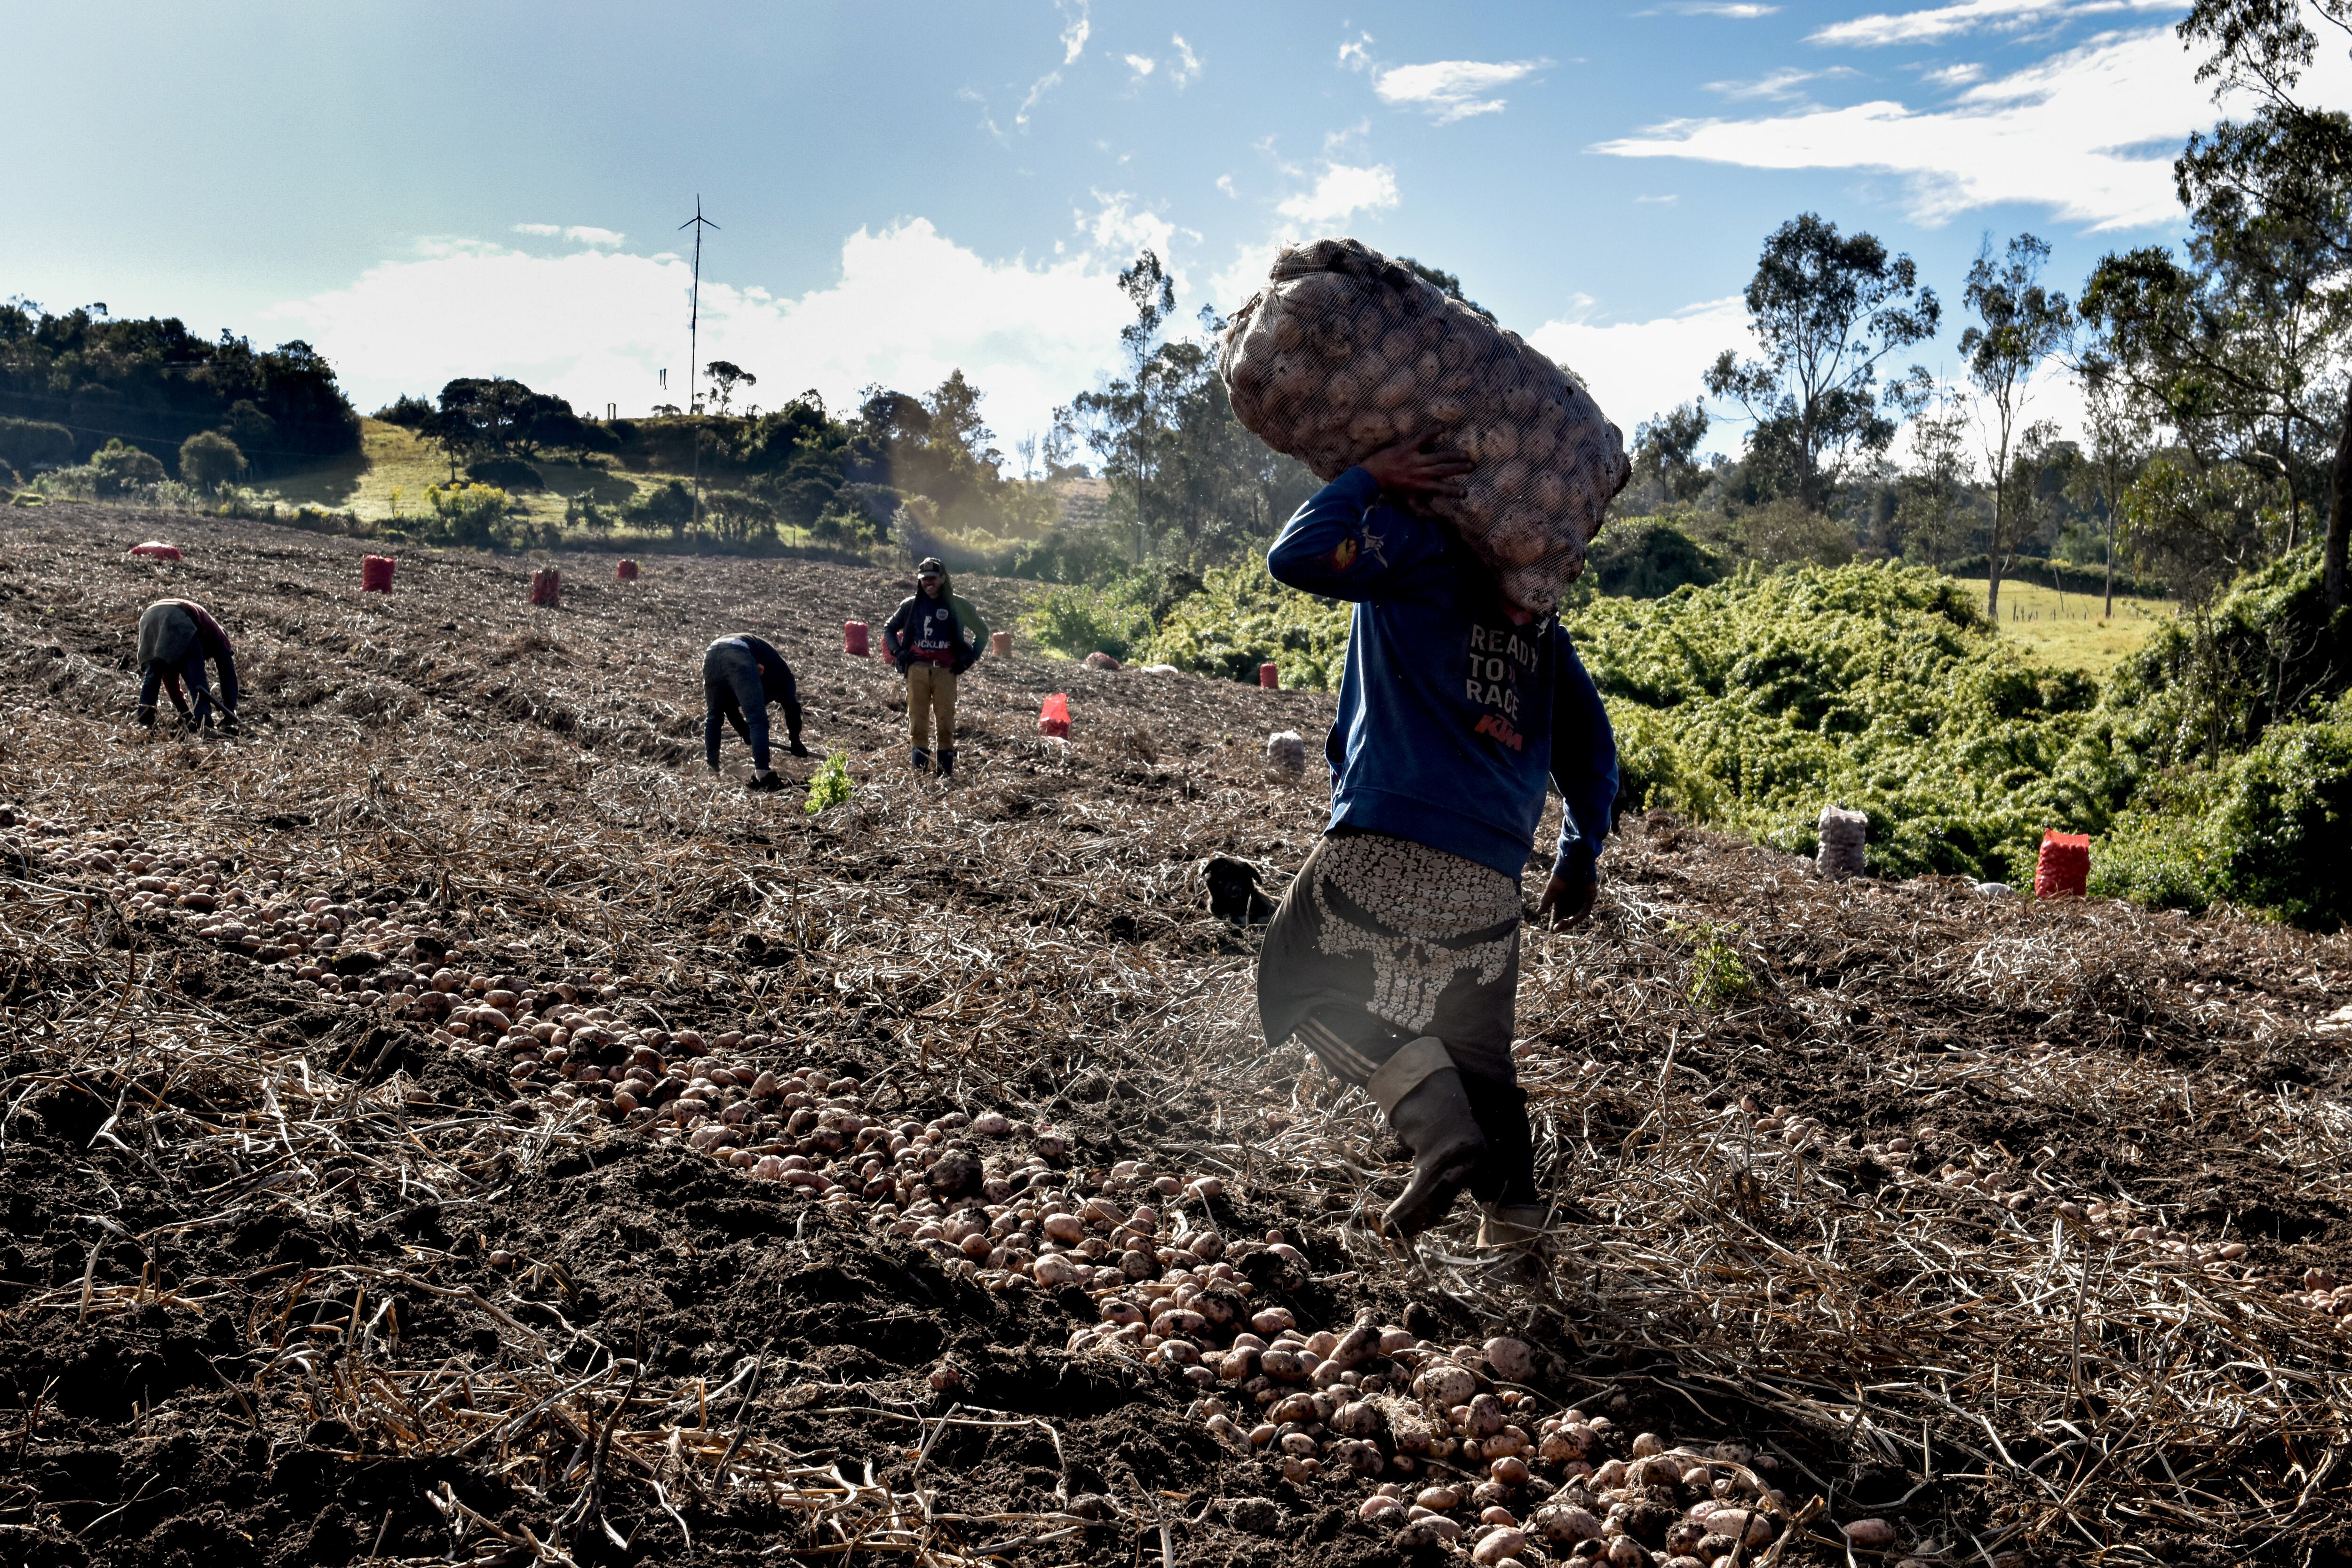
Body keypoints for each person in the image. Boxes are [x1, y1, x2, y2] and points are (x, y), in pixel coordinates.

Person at [1256, 436, 1620, 1250]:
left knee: (1295, 979)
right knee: (1485, 1061)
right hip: (1491, 874)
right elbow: (1594, 754)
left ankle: (1435, 1125)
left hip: (1384, 837)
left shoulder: (1413, 557)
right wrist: (1578, 852)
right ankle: (1519, 1239)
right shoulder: (1543, 634)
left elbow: (1300, 553)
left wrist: (1368, 475)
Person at [881, 556, 988, 776]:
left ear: (943, 578)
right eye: (924, 579)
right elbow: (889, 628)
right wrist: (898, 651)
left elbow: (982, 632)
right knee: (918, 724)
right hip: (917, 671)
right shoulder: (910, 605)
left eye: (932, 578)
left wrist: (969, 659)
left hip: (945, 672)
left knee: (945, 723)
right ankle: (919, 775)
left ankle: (944, 776)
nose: (928, 583)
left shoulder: (958, 605)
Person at [703, 634, 809, 790]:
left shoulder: (765, 671)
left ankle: (711, 773)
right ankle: (763, 775)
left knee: (714, 716)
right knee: (757, 719)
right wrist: (795, 741)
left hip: (712, 653)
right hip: (738, 652)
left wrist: (744, 731)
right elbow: (792, 709)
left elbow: (728, 707)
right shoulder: (786, 679)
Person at [135, 598, 238, 733]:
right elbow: (227, 673)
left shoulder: (205, 626)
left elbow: (169, 679)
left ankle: (145, 723)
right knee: (197, 682)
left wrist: (184, 712)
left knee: (154, 674)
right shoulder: (221, 637)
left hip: (149, 617)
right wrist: (230, 709)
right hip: (178, 617)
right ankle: (205, 726)